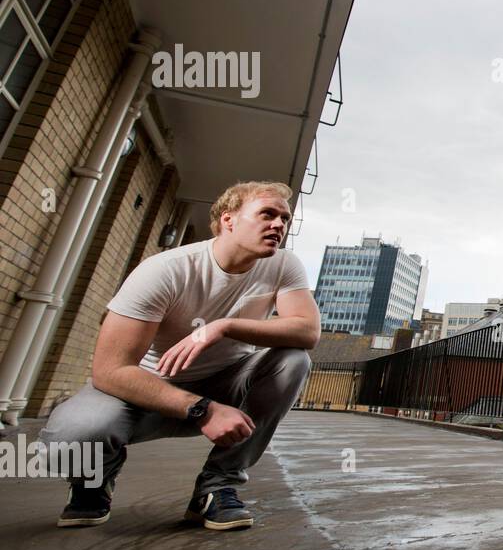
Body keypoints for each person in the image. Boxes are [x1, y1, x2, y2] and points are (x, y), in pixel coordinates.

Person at [38, 180, 319, 530]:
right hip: (143, 395)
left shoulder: (283, 265)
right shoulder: (166, 269)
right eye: (267, 214)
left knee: (293, 360)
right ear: (229, 220)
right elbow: (109, 371)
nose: (279, 225)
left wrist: (223, 325)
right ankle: (93, 481)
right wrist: (202, 409)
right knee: (71, 439)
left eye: (285, 218)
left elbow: (307, 331)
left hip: (224, 387)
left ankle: (217, 485)